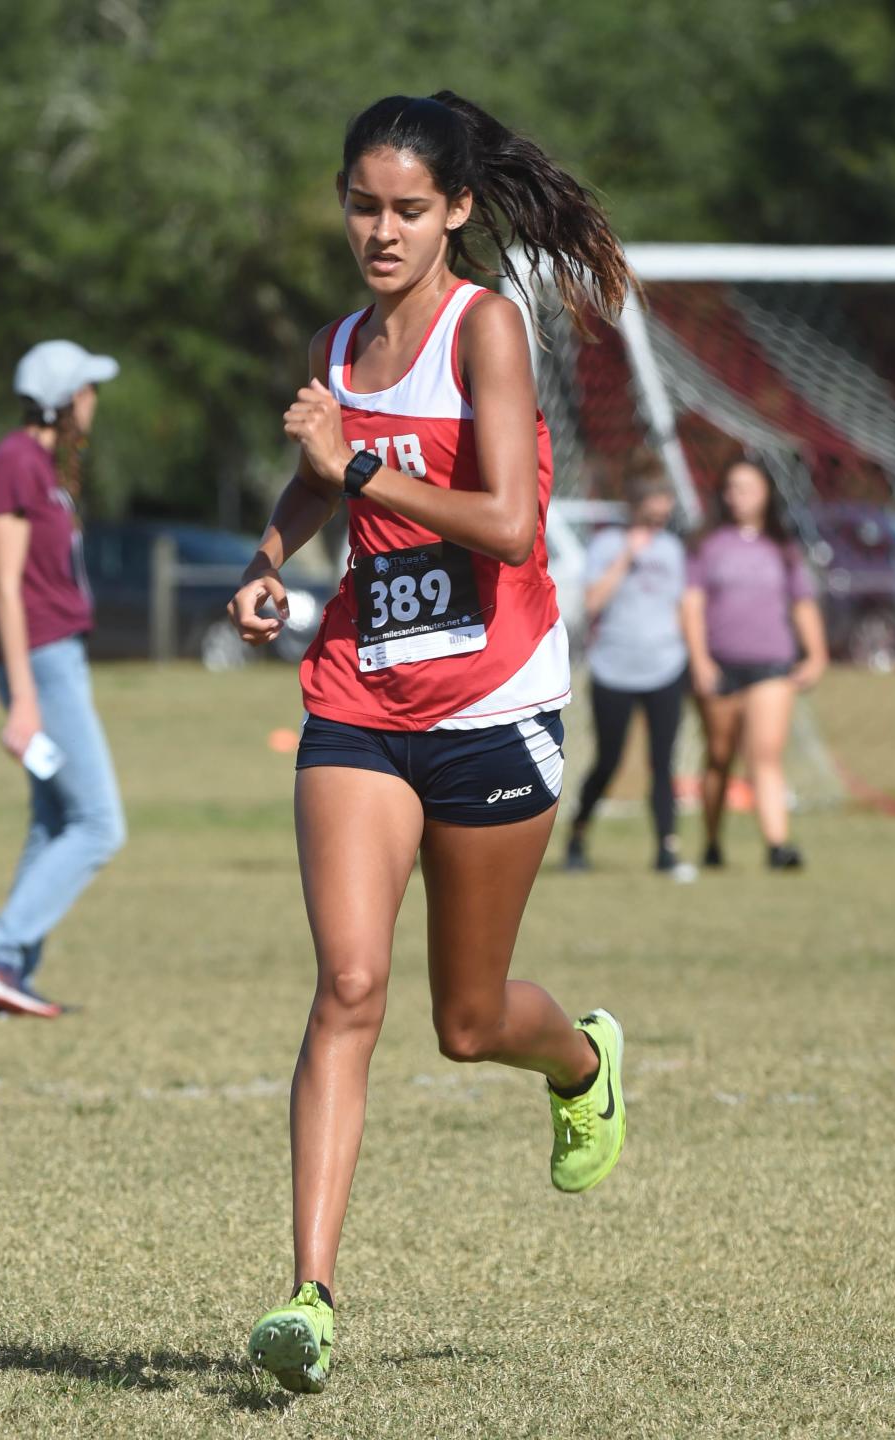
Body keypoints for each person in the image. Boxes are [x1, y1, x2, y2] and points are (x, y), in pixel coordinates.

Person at [228, 92, 632, 1394]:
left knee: (466, 1022)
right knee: (350, 987)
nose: (381, 230)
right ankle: (308, 1298)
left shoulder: (487, 330)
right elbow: (315, 471)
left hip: (495, 704)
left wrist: (354, 472)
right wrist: (267, 557)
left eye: (407, 208)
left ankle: (579, 1059)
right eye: (363, 206)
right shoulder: (337, 340)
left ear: (456, 209)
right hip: (358, 696)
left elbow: (510, 524)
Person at [0, 341, 126, 1017]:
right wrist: (23, 698)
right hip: (41, 661)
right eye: (87, 389)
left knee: (54, 822)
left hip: (58, 656)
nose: (94, 402)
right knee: (99, 824)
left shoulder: (46, 468)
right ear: (61, 399)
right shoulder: (14, 464)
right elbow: (3, 585)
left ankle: (7, 979)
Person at [682, 457, 827, 870]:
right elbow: (691, 606)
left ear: (766, 494)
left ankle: (778, 846)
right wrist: (700, 662)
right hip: (720, 667)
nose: (739, 495)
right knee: (719, 756)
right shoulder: (706, 545)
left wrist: (816, 654)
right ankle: (712, 841)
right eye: (732, 487)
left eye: (748, 487)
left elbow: (803, 604)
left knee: (765, 756)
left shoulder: (781, 548)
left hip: (771, 667)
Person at [565, 451, 688, 874]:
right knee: (609, 760)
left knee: (663, 760)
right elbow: (593, 601)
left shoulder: (673, 549)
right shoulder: (607, 544)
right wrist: (625, 559)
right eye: (659, 495)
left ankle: (667, 850)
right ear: (639, 499)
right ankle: (579, 833)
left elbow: (682, 607)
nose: (666, 504)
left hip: (666, 668)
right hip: (613, 669)